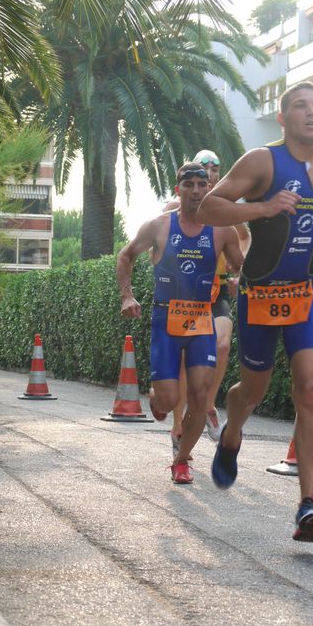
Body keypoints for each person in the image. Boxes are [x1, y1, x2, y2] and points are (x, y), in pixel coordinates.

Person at [196, 81, 313, 541]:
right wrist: (263, 207)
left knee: (309, 387)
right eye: (301, 106)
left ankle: (307, 504)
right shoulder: (263, 160)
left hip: (311, 289)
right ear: (283, 118)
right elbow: (208, 207)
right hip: (261, 292)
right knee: (252, 389)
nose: (312, 113)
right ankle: (232, 431)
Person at [117, 162, 243, 484]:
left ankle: (182, 459)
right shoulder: (159, 226)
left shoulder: (222, 231)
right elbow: (126, 255)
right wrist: (127, 296)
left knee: (200, 394)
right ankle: (158, 399)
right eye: (191, 186)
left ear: (209, 188)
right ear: (179, 190)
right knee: (171, 400)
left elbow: (241, 267)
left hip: (202, 318)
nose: (198, 191)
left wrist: (238, 278)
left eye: (203, 185)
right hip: (166, 318)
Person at [164, 150, 250, 456]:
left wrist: (237, 266)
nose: (211, 173)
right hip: (184, 298)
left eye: (215, 168)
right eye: (205, 168)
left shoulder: (226, 210)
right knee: (186, 364)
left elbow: (245, 236)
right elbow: (163, 231)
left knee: (223, 346)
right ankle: (177, 426)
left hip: (216, 295)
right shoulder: (177, 206)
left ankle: (210, 404)